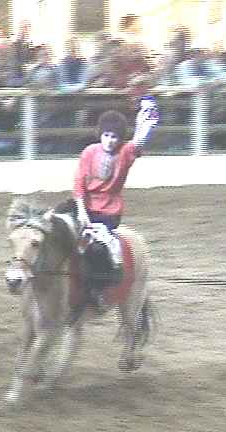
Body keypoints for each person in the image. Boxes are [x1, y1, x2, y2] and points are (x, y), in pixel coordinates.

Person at [72, 97, 159, 306]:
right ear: (100, 135)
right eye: (106, 136)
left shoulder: (125, 152)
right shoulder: (89, 152)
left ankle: (100, 287)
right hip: (85, 208)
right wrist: (81, 211)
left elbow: (140, 139)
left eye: (114, 137)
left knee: (98, 247)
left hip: (108, 212)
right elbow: (79, 184)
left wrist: (146, 115)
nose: (110, 141)